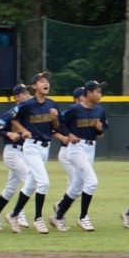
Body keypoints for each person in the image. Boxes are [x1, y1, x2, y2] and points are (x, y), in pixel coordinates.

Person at [3, 72, 59, 234]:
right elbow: (12, 118)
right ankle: (38, 218)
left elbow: (55, 127)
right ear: (34, 86)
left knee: (31, 184)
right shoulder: (27, 104)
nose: (45, 83)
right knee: (44, 183)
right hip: (32, 146)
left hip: (45, 147)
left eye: (46, 81)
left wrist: (54, 118)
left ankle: (13, 215)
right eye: (41, 81)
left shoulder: (51, 104)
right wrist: (23, 130)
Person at [49, 80, 109, 232]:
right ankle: (83, 217)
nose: (100, 94)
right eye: (97, 91)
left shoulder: (100, 110)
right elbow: (58, 123)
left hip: (91, 148)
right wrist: (69, 135)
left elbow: (100, 133)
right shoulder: (75, 109)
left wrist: (99, 129)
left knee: (76, 186)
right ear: (88, 93)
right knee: (92, 182)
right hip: (76, 148)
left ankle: (57, 216)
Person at [0, 83, 32, 231]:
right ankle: (18, 214)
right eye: (23, 93)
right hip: (13, 152)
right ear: (16, 97)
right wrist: (8, 133)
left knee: (11, 189)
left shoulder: (30, 112)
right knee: (30, 179)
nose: (27, 96)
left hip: (25, 152)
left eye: (28, 93)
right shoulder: (12, 112)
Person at [52, 86, 86, 222]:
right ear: (77, 100)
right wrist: (62, 137)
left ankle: (60, 207)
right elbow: (54, 127)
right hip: (67, 152)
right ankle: (60, 210)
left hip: (79, 152)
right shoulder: (71, 111)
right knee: (79, 185)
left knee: (76, 185)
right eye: (83, 95)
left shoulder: (86, 113)